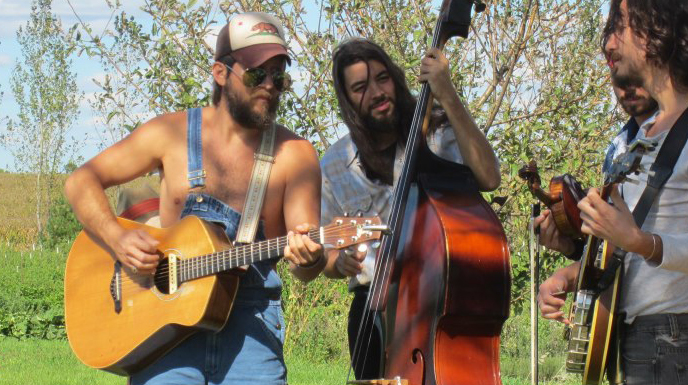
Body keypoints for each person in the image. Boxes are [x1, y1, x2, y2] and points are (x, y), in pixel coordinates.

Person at [65, 12, 324, 385]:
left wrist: (310, 256)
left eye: (278, 75)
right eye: (255, 73)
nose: (269, 85)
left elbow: (306, 267)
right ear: (220, 73)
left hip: (251, 331)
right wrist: (117, 237)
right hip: (164, 333)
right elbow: (81, 181)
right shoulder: (170, 133)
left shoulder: (296, 155)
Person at [536, 1, 688, 384]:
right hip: (633, 340)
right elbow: (627, 259)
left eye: (621, 26)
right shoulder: (645, 133)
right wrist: (568, 274)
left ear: (659, 30)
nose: (608, 43)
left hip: (672, 347)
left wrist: (636, 239)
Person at [319, 38, 501, 379]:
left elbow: (489, 177)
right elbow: (327, 256)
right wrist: (337, 262)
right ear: (347, 100)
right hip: (371, 310)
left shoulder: (438, 132)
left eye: (382, 78)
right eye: (360, 87)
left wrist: (447, 94)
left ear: (396, 78)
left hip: (442, 304)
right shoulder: (333, 165)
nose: (376, 92)